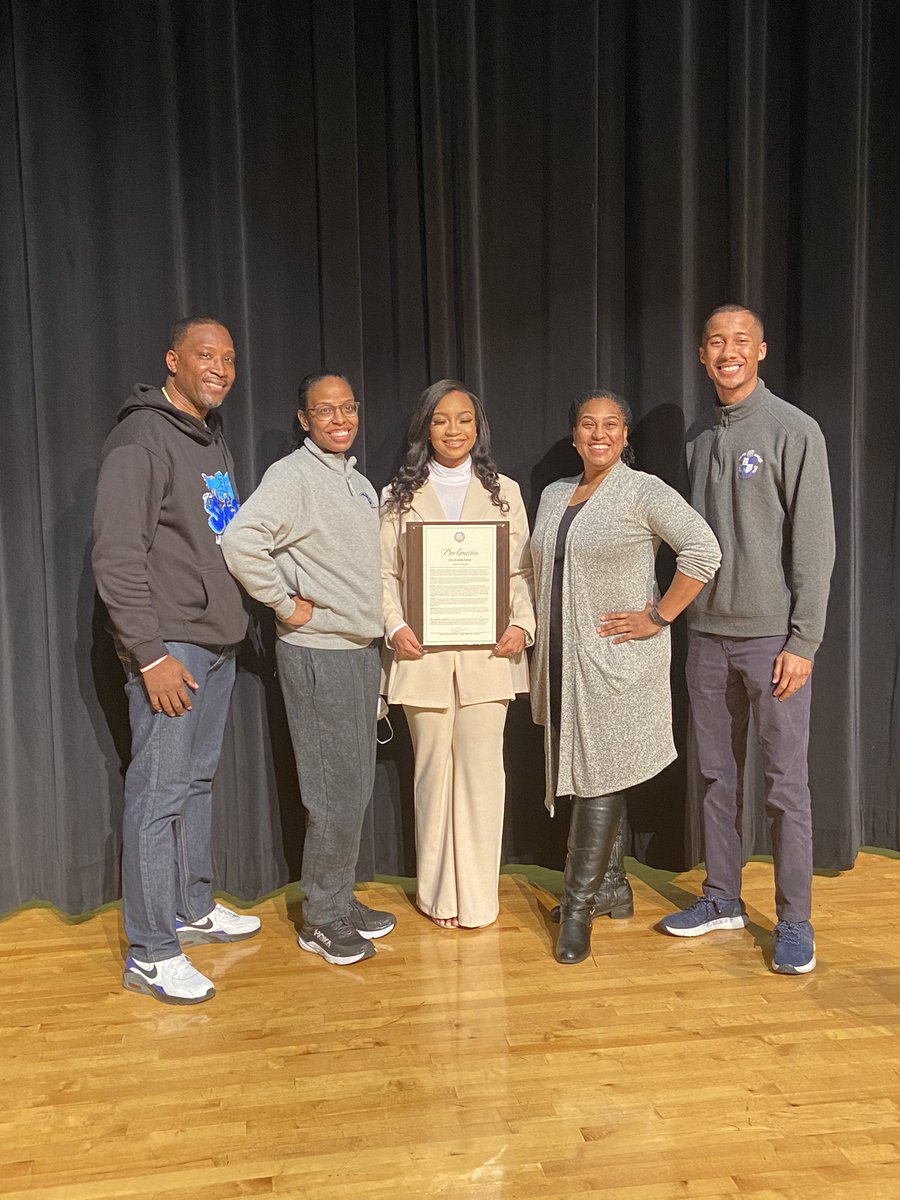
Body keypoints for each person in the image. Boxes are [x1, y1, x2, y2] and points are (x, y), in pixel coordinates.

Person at [659, 305, 835, 975]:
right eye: (715, 343)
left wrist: (804, 641)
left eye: (740, 341)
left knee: (785, 786)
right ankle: (721, 898)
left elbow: (815, 546)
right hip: (706, 637)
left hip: (773, 644)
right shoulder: (699, 435)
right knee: (714, 778)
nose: (727, 352)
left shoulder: (794, 430)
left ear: (760, 349)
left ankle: (794, 921)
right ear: (703, 355)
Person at [93, 317, 260, 1006]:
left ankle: (190, 907)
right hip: (171, 647)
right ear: (173, 361)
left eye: (227, 357)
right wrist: (150, 652)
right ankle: (152, 952)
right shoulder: (141, 438)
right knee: (158, 796)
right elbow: (117, 555)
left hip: (214, 641)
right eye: (205, 355)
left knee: (194, 784)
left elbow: (224, 533)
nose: (220, 367)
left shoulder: (208, 438)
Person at [531, 390, 721, 964]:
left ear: (625, 435)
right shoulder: (553, 494)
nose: (598, 433)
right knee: (588, 771)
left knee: (599, 780)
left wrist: (659, 614)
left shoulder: (642, 490)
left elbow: (702, 549)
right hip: (563, 666)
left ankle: (581, 908)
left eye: (610, 425)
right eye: (587, 423)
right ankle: (613, 886)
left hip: (616, 664)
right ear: (573, 435)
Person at [221, 372, 395, 966]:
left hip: (359, 653)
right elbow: (241, 540)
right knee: (331, 796)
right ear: (304, 419)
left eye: (348, 408)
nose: (340, 419)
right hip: (318, 652)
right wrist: (283, 601)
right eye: (326, 411)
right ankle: (319, 919)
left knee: (355, 791)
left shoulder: (360, 485)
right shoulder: (292, 476)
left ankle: (339, 901)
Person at [380, 379, 535, 929]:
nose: (453, 430)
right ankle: (438, 897)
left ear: (478, 426)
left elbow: (522, 570)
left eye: (464, 419)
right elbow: (384, 574)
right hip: (421, 659)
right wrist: (394, 625)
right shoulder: (397, 495)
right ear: (426, 427)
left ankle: (477, 899)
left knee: (482, 779)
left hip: (487, 659)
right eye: (442, 420)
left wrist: (522, 623)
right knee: (431, 778)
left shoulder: (505, 492)